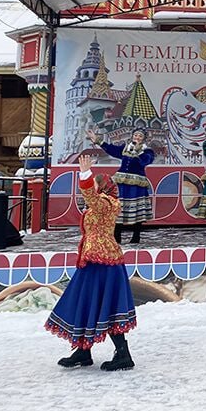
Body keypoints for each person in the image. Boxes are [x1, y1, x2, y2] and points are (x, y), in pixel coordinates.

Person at [45, 154, 137, 371]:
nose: (93, 187)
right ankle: (83, 350)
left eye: (96, 184)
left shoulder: (106, 203)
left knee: (105, 304)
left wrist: (85, 174)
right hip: (94, 260)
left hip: (103, 263)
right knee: (87, 301)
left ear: (102, 187)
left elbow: (91, 197)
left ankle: (122, 354)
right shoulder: (102, 204)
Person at [86, 127, 154, 244]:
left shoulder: (147, 151)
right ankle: (117, 236)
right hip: (122, 182)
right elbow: (112, 150)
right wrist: (97, 140)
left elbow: (145, 161)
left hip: (136, 184)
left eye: (140, 136)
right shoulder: (125, 148)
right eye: (135, 135)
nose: (137, 138)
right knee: (118, 207)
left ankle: (136, 236)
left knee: (136, 208)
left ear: (143, 139)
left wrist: (138, 151)